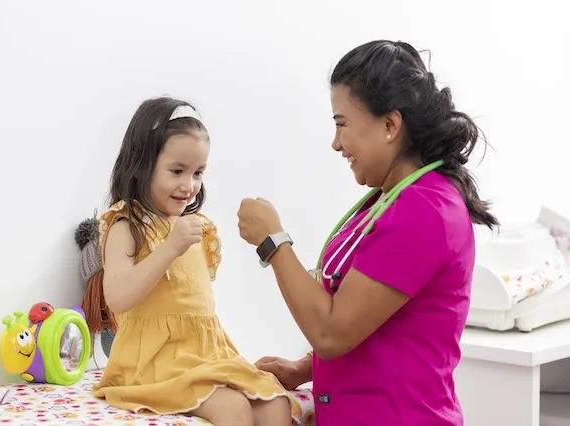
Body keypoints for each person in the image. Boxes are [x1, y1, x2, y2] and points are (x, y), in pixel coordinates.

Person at [237, 40, 499, 425]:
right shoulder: (390, 199)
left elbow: (331, 333)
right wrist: (304, 368)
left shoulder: (423, 211)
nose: (336, 143)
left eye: (341, 124)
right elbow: (377, 323)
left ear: (390, 125)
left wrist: (273, 241)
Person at [92, 97, 302, 426]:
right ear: (142, 165)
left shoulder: (198, 228)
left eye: (198, 172)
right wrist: (168, 249)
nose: (189, 186)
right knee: (234, 409)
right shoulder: (128, 225)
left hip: (206, 351)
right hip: (154, 357)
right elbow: (117, 299)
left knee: (275, 403)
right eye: (177, 171)